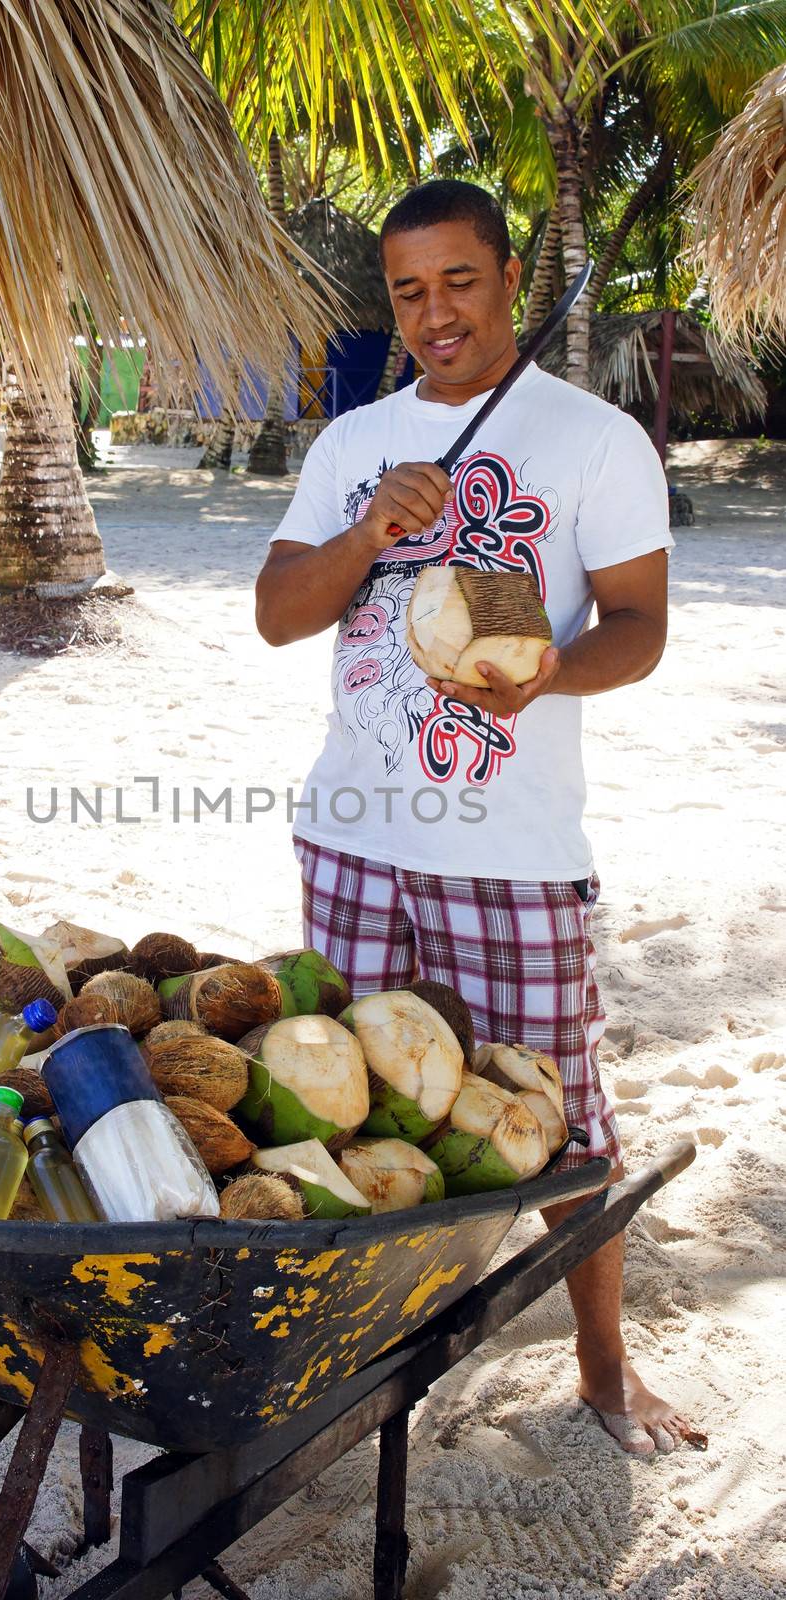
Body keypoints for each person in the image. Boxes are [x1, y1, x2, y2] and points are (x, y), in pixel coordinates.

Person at [255, 179, 700, 1457]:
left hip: (509, 852)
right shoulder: (353, 442)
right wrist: (367, 529)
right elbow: (281, 613)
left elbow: (640, 629)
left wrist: (546, 668)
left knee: (556, 1121)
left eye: (458, 280)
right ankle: (358, 1354)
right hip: (348, 835)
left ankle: (604, 1367)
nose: (434, 312)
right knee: (335, 1102)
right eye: (407, 289)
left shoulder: (592, 440)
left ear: (507, 276)